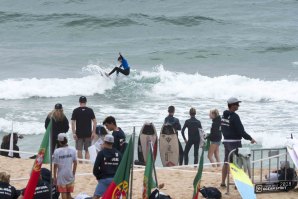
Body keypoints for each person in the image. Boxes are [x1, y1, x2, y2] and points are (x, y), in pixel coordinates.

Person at [220, 97, 256, 187]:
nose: (238, 106)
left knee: (226, 162)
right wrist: (250, 138)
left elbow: (222, 128)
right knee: (237, 164)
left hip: (226, 142)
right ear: (232, 105)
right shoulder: (235, 116)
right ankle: (238, 184)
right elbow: (241, 131)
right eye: (237, 104)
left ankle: (223, 182)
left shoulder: (223, 116)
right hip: (235, 142)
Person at [93, 134, 122, 199]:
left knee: (96, 196)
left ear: (104, 142)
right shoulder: (118, 153)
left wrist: (99, 177)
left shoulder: (101, 153)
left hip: (104, 179)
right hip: (115, 180)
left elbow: (95, 169)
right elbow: (121, 169)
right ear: (113, 143)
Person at [53, 133, 77, 199]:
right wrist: (73, 173)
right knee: (68, 194)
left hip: (61, 175)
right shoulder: (73, 149)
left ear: (59, 142)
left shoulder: (57, 151)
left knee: (63, 193)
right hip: (69, 173)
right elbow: (75, 163)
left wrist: (55, 177)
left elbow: (55, 166)